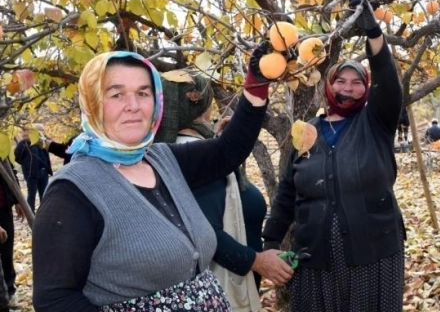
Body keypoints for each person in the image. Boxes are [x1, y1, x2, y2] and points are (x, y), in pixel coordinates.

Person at [32, 46, 280, 311]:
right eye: (117, 94)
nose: (133, 106)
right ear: (92, 103)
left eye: (143, 93)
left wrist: (257, 81)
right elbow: (55, 300)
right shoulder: (72, 193)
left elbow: (228, 150)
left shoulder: (162, 160)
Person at [259, 0, 405, 311]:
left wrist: (373, 33)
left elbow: (389, 83)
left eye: (357, 83)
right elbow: (287, 190)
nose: (348, 88)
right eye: (341, 80)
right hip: (316, 258)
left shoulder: (375, 122)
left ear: (366, 89)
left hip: (373, 255)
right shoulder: (307, 131)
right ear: (329, 86)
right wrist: (271, 240)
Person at [154, 69, 268, 312]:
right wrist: (258, 262)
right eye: (207, 100)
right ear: (196, 105)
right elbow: (207, 231)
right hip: (223, 290)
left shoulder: (171, 150)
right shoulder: (196, 157)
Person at [13, 128, 52, 212]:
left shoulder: (43, 141)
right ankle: (31, 214)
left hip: (43, 172)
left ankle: (44, 213)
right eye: (39, 130)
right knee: (32, 195)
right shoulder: (24, 143)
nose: (41, 132)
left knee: (44, 194)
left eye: (41, 130)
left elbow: (48, 151)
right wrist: (26, 164)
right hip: (31, 174)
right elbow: (16, 157)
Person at [0, 159, 20, 307]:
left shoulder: (2, 149)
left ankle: (10, 290)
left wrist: (18, 200)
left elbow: (11, 174)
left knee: (7, 252)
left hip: (4, 209)